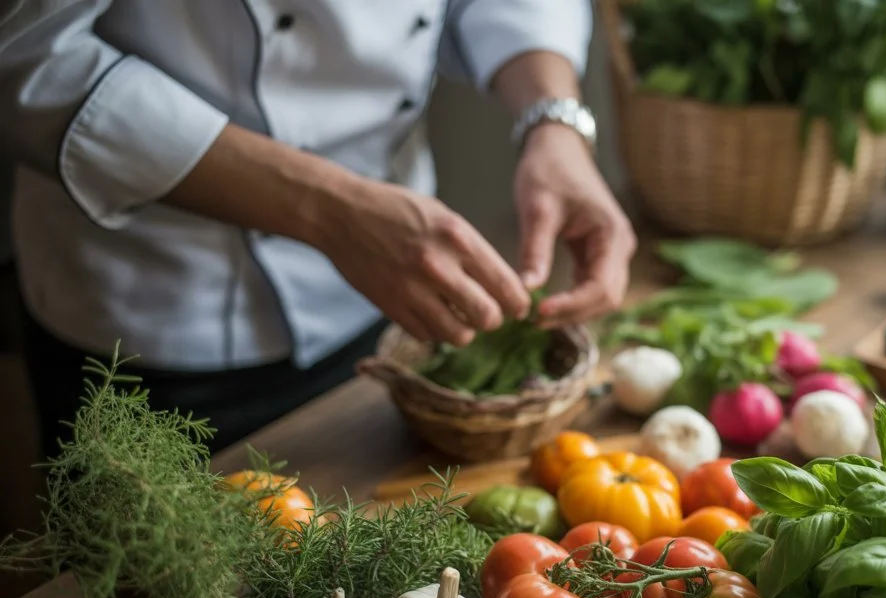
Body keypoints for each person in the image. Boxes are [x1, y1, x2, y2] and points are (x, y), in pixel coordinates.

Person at [0, 2, 635, 458]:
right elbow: (26, 56)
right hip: (153, 304)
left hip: (399, 290)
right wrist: (329, 210)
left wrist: (554, 123)